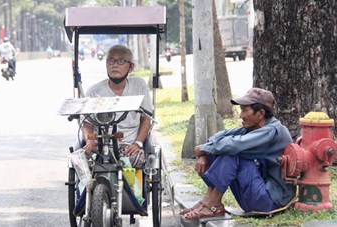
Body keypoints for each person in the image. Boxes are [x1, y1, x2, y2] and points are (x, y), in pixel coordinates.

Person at [180, 88, 296, 220]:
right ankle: (208, 201)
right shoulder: (253, 128)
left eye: (245, 110)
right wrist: (204, 153)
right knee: (219, 149)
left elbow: (234, 145)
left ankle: (212, 204)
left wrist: (205, 149)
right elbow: (219, 136)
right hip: (255, 195)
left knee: (231, 153)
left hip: (271, 202)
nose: (241, 115)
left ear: (261, 113)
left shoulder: (273, 131)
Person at [80, 44, 153, 168]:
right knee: (78, 161)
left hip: (129, 145)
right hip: (101, 144)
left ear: (131, 67)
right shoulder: (94, 91)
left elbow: (146, 119)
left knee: (135, 160)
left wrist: (138, 143)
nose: (115, 65)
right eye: (111, 60)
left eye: (121, 61)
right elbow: (86, 123)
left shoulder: (139, 85)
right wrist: (90, 141)